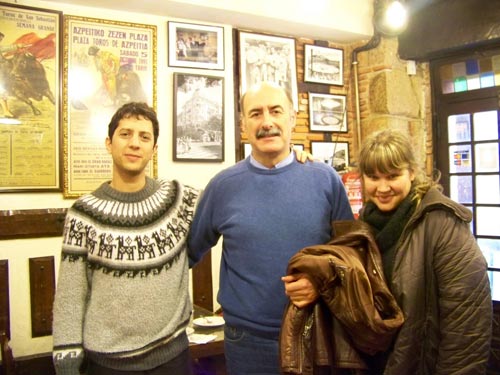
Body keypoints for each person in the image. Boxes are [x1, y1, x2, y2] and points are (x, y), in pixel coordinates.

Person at [288, 129, 492, 374]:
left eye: (393, 176)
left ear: (412, 172)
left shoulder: (443, 225)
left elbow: (467, 324)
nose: (382, 188)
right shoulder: (365, 224)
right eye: (373, 177)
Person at [187, 81, 354, 375]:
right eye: (255, 114)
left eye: (276, 111)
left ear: (292, 118)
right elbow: (188, 251)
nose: (267, 122)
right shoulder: (223, 186)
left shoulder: (326, 179)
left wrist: (322, 283)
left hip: (316, 334)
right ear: (243, 125)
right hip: (247, 343)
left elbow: (351, 256)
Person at [52, 102, 200, 375]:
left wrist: (298, 160)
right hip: (108, 364)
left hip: (172, 358)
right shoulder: (83, 214)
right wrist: (67, 359)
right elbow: (71, 295)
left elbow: (229, 202)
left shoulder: (180, 199)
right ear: (109, 143)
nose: (135, 143)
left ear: (154, 149)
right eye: (125, 134)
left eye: (144, 137)